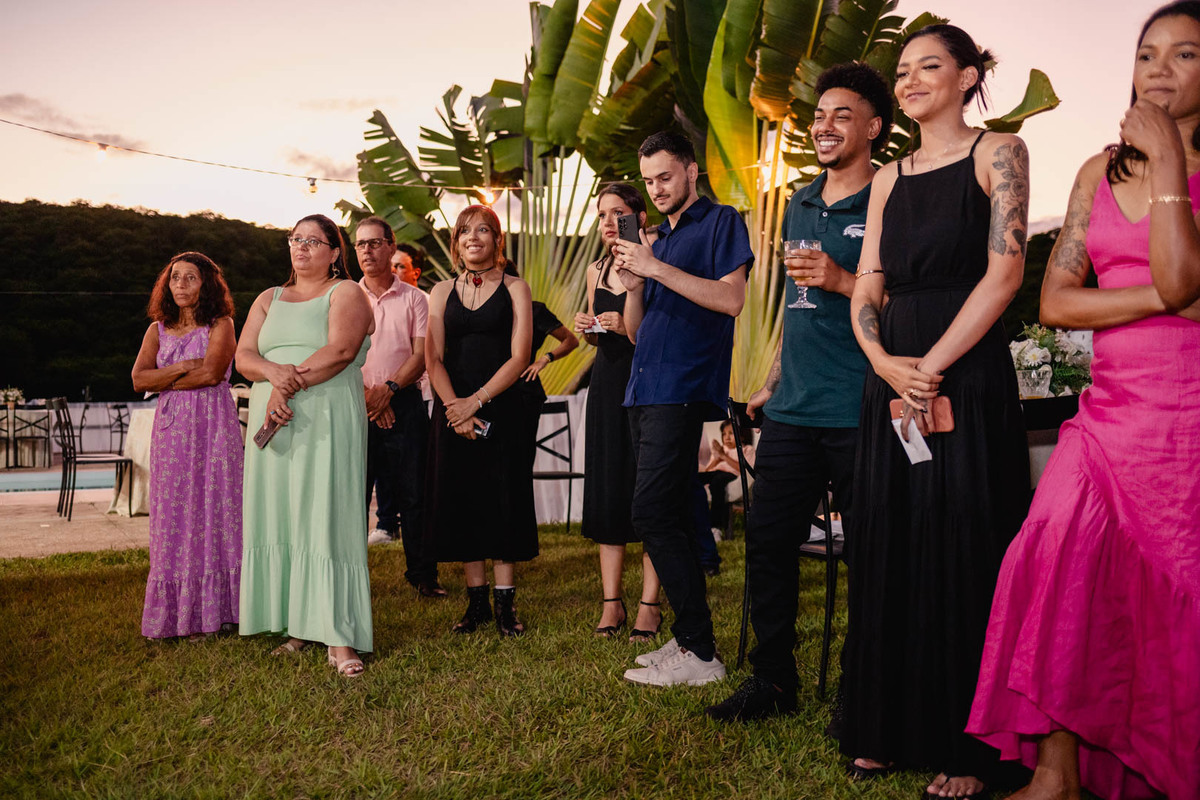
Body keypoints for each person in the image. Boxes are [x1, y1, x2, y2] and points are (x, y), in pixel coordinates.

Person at [968, 5, 1200, 798]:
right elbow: (1060, 303)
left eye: (1185, 54)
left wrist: (1170, 162)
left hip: (1189, 423)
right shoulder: (1096, 174)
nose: (1160, 70)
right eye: (1147, 54)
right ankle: (1055, 776)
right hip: (1107, 416)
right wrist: (1167, 295)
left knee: (1175, 598)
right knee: (1054, 556)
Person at [841, 26, 1031, 798]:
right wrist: (887, 364)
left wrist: (934, 367)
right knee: (888, 540)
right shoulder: (889, 178)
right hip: (893, 380)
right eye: (904, 69)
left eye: (930, 66)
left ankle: (970, 743)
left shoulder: (1000, 153)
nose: (912, 79)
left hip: (966, 371)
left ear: (968, 75)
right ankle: (884, 726)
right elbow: (866, 285)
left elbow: (1006, 270)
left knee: (965, 544)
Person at [707, 61, 889, 723]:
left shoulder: (890, 199)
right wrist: (775, 376)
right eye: (819, 115)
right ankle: (773, 681)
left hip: (862, 407)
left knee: (872, 553)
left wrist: (845, 280)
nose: (824, 125)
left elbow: (910, 301)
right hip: (792, 410)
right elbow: (795, 302)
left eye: (843, 115)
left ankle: (864, 686)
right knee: (768, 540)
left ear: (873, 127)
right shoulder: (801, 201)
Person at [615, 131, 754, 687]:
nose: (656, 189)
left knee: (651, 513)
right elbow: (634, 332)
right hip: (642, 387)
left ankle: (700, 651)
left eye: (665, 177)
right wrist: (632, 282)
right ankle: (693, 641)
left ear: (691, 171)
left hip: (682, 387)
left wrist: (654, 269)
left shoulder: (723, 222)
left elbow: (731, 299)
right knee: (665, 513)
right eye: (648, 181)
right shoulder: (657, 239)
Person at [236, 214, 375, 677]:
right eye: (296, 239)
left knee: (324, 513)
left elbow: (339, 351)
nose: (302, 248)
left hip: (325, 413)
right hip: (271, 417)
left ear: (335, 253)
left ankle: (338, 636)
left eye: (314, 241)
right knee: (284, 515)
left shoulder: (346, 293)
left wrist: (284, 385)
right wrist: (272, 374)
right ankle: (297, 625)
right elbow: (244, 357)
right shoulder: (267, 297)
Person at [424, 204, 536, 637]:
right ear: (456, 242)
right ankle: (476, 606)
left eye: (484, 230)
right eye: (466, 231)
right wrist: (455, 407)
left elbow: (520, 355)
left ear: (497, 240)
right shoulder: (439, 291)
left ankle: (506, 607)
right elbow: (433, 357)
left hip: (501, 406)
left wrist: (478, 401)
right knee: (464, 500)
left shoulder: (516, 288)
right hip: (452, 410)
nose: (474, 237)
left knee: (502, 498)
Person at [131, 252, 243, 640]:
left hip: (213, 426)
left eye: (189, 278)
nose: (180, 285)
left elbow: (213, 372)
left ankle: (223, 612)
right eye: (174, 278)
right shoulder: (157, 330)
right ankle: (181, 615)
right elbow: (138, 379)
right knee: (174, 513)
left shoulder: (222, 323)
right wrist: (180, 367)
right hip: (171, 430)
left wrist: (163, 379)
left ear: (206, 284)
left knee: (216, 507)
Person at [572, 182, 663, 641]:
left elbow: (639, 332)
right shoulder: (595, 269)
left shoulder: (654, 261)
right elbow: (597, 333)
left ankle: (650, 603)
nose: (609, 223)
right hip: (606, 383)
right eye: (603, 215)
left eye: (618, 214)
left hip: (646, 381)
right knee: (608, 489)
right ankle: (612, 602)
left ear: (639, 217)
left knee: (648, 492)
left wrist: (620, 320)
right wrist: (588, 327)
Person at [354, 217, 446, 596]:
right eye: (360, 244)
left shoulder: (415, 298)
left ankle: (423, 576)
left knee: (414, 493)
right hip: (354, 400)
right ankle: (350, 579)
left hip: (404, 400)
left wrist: (388, 391)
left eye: (375, 243)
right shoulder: (344, 296)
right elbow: (339, 354)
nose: (367, 251)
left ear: (392, 248)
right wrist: (369, 398)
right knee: (352, 493)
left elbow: (422, 354)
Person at [697, 418, 755, 537]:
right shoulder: (721, 451)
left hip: (733, 476)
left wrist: (724, 456)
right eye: (724, 434)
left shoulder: (747, 449)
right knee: (696, 478)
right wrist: (718, 458)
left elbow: (745, 471)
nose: (726, 437)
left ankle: (715, 528)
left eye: (731, 433)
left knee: (717, 481)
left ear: (742, 435)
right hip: (716, 474)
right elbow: (709, 470)